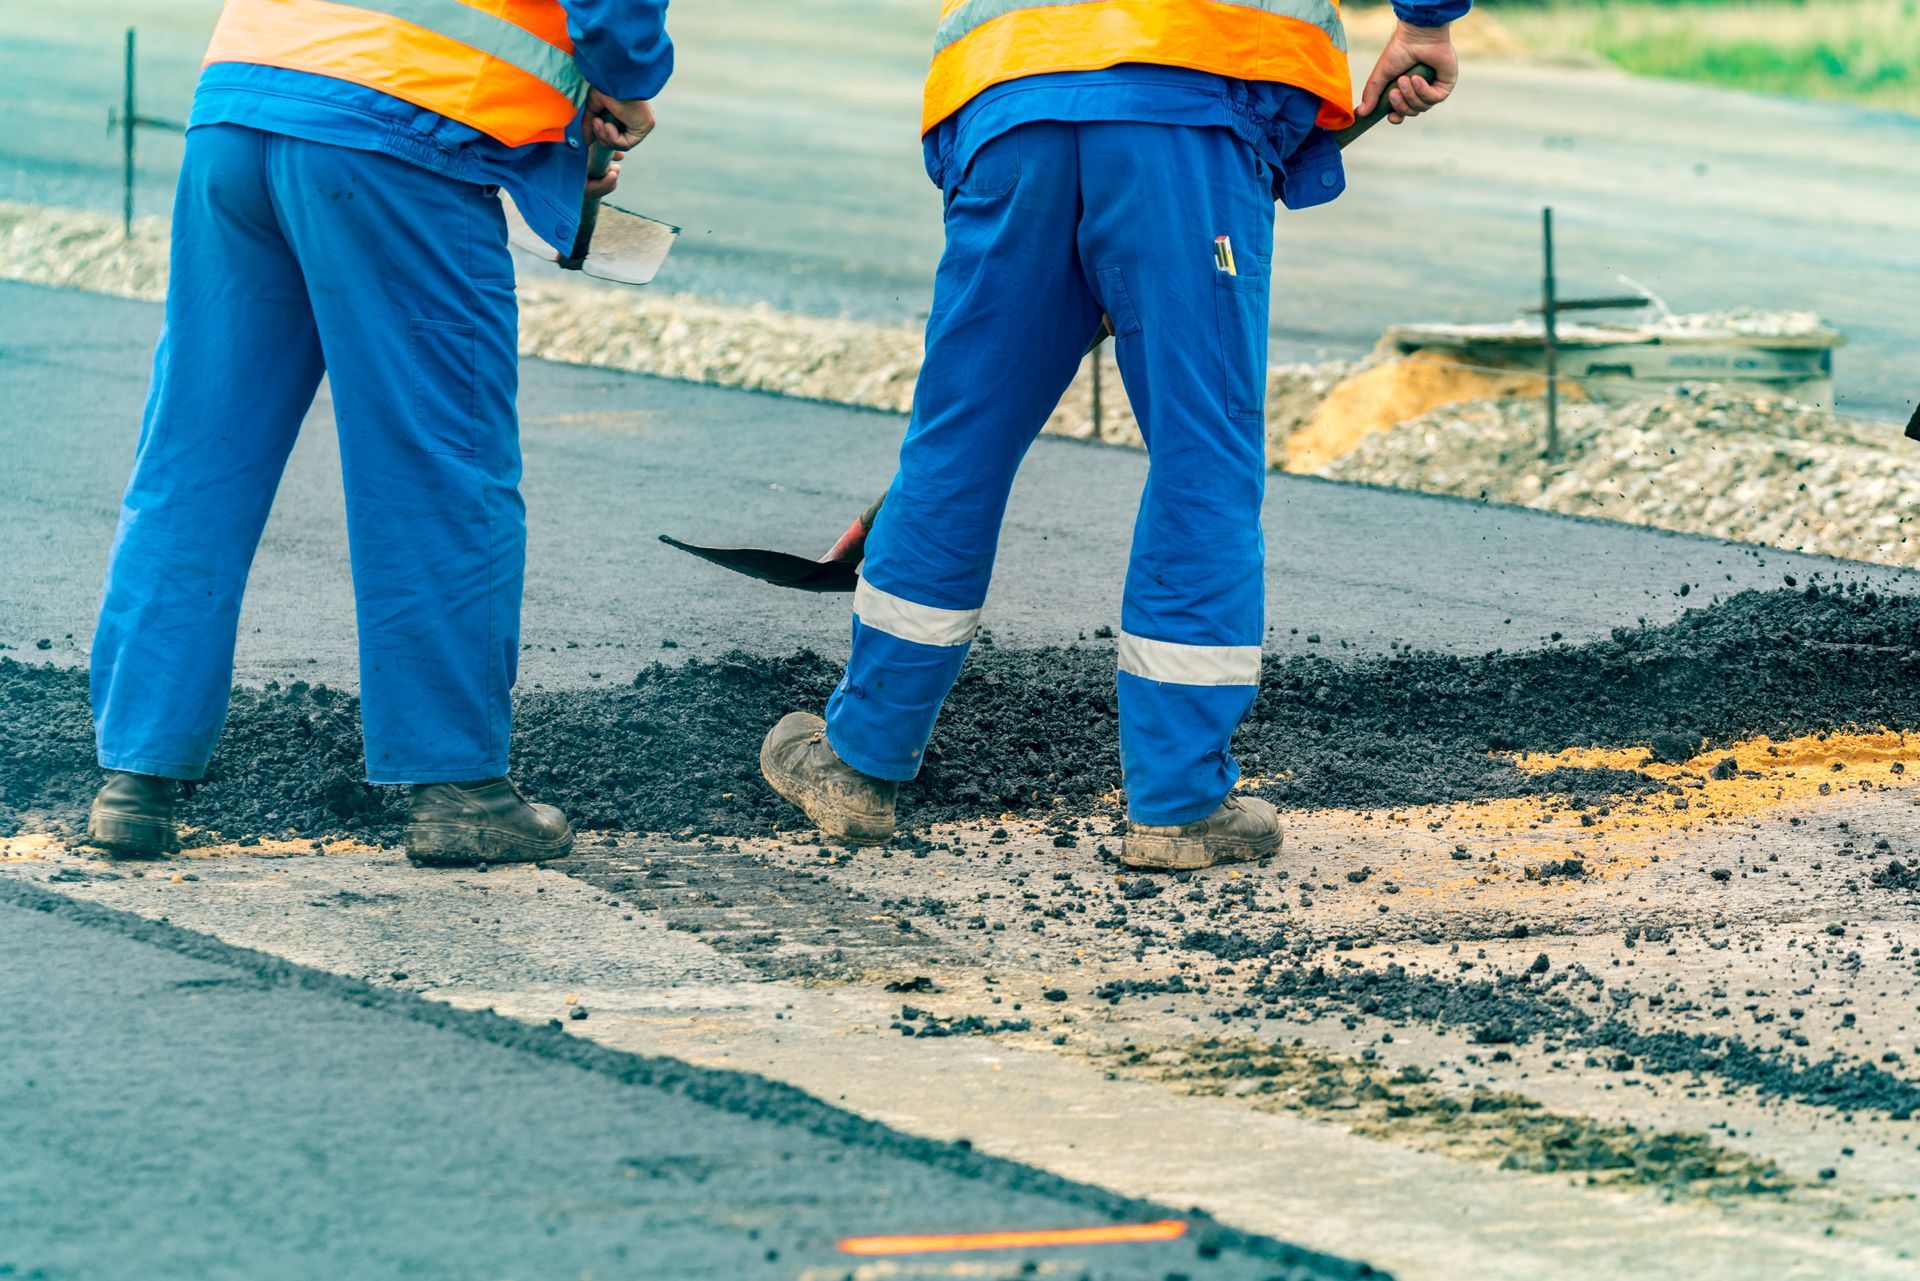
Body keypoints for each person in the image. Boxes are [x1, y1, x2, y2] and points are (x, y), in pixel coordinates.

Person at [762, 0, 1463, 870]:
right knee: (1201, 459)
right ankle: (1178, 805)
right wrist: (1425, 21)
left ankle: (859, 764)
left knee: (955, 445)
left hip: (1011, 96)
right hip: (1193, 105)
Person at [85, 0, 672, 865]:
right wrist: (624, 80)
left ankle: (135, 777)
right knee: (439, 467)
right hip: (402, 136)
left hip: (245, 103)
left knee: (196, 455)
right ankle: (459, 788)